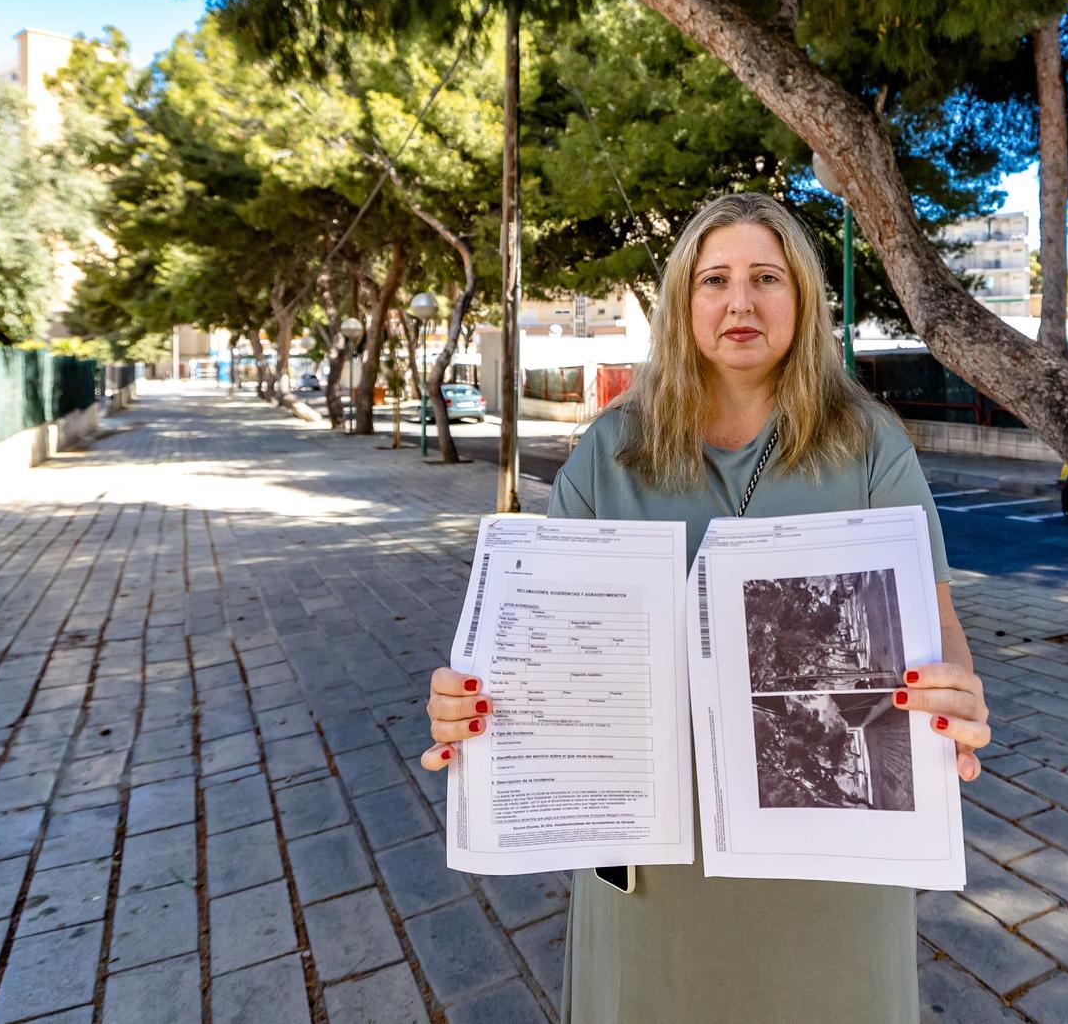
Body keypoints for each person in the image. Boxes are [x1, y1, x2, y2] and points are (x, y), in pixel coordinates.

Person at [422, 191, 989, 1023]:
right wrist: (471, 709)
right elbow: (538, 652)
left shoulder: (870, 442)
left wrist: (958, 693)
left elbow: (936, 621)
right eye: (714, 279)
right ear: (683, 302)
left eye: (768, 277)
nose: (740, 301)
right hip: (653, 866)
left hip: (832, 859)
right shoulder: (609, 453)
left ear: (802, 298)